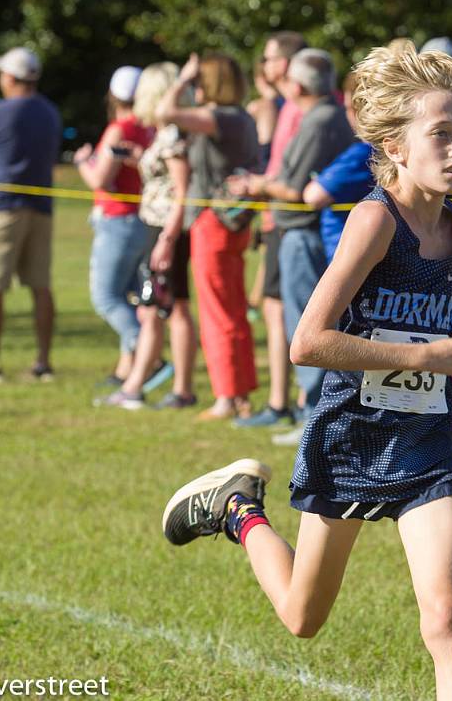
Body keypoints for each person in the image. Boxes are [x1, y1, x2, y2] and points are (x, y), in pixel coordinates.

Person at [161, 41, 452, 700]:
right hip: (350, 437)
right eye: (441, 134)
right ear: (394, 144)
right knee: (303, 618)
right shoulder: (373, 221)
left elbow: (438, 310)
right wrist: (424, 357)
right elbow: (308, 341)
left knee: (445, 616)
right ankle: (239, 508)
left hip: (424, 443)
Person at [233, 48, 354, 444]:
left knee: (306, 323)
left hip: (301, 234)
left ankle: (312, 418)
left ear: (298, 84)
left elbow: (295, 189)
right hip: (309, 233)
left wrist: (256, 185)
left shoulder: (317, 121)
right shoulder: (333, 115)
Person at [155, 52, 261, 422]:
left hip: (213, 224)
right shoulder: (242, 116)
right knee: (232, 309)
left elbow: (165, 112)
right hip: (232, 222)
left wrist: (181, 79)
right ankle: (240, 392)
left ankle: (227, 396)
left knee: (218, 312)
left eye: (201, 80)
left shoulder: (222, 117)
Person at [97, 62, 199, 410]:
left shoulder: (171, 132)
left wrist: (167, 239)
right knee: (152, 307)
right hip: (159, 228)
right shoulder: (165, 132)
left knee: (172, 308)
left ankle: (177, 388)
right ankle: (137, 384)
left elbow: (181, 190)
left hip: (166, 230)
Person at [0, 46, 62, 383]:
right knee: (41, 287)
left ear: (9, 77)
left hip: (1, 208)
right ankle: (43, 362)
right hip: (41, 209)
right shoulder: (50, 112)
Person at [233, 31, 308, 430]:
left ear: (286, 64)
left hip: (286, 218)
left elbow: (283, 168)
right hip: (275, 218)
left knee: (286, 310)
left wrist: (258, 185)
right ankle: (284, 399)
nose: (263, 65)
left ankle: (292, 402)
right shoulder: (285, 105)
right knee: (275, 307)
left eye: (269, 58)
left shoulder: (293, 108)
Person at [74, 66, 156, 388]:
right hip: (141, 219)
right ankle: (127, 369)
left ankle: (147, 353)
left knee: (106, 298)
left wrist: (83, 161)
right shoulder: (148, 127)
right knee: (131, 295)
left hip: (117, 219)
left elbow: (100, 179)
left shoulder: (119, 129)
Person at [301, 71, 375, 263]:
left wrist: (319, 180)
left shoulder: (362, 154)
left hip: (347, 259)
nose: (347, 115)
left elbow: (313, 196)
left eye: (350, 108)